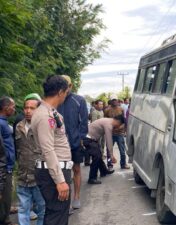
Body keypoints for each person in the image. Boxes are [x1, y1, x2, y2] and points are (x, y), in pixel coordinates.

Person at [32, 75, 72, 225]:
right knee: (57, 216)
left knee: (57, 214)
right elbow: (47, 149)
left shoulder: (50, 112)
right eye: (66, 92)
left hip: (55, 170)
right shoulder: (44, 116)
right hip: (53, 173)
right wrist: (60, 180)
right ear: (61, 92)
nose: (66, 96)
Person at [57, 75, 88, 210]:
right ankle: (65, 200)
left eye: (67, 85)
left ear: (71, 86)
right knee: (62, 171)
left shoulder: (79, 100)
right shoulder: (55, 100)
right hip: (58, 144)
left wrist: (79, 139)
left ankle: (76, 196)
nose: (65, 88)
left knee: (76, 169)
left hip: (75, 143)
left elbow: (84, 123)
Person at [15, 94, 45, 225]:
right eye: (26, 108)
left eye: (32, 108)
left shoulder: (43, 126)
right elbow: (18, 150)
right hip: (23, 176)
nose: (28, 111)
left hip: (39, 175)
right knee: (23, 209)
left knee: (42, 209)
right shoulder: (19, 127)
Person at [84, 115, 125, 184]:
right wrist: (111, 156)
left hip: (91, 139)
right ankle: (92, 178)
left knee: (98, 155)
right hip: (88, 139)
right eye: (119, 125)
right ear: (117, 121)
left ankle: (103, 171)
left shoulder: (109, 120)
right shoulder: (109, 125)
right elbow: (109, 140)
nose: (117, 127)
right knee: (96, 157)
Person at [0, 96, 16, 225]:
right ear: (6, 108)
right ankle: (5, 221)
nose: (14, 109)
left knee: (7, 194)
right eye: (13, 106)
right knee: (4, 195)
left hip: (8, 165)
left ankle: (6, 215)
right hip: (3, 167)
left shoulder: (4, 122)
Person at [104, 95, 130, 170]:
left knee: (122, 150)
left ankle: (123, 164)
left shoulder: (121, 109)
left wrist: (123, 128)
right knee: (109, 151)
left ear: (117, 100)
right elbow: (105, 121)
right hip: (110, 133)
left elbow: (124, 120)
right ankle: (109, 164)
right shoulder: (107, 110)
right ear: (111, 101)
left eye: (116, 100)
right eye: (113, 100)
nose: (115, 101)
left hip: (120, 133)